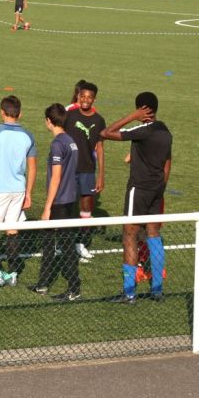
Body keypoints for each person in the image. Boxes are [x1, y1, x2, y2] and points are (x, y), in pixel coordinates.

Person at [100, 92, 172, 304]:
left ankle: (129, 293)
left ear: (142, 109)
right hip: (156, 190)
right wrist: (161, 188)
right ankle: (157, 290)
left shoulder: (144, 130)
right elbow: (168, 163)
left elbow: (106, 132)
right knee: (153, 234)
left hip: (138, 190)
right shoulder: (165, 131)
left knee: (129, 235)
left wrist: (133, 116)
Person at [0, 95, 37, 288]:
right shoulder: (28, 135)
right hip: (18, 190)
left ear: (2, 112)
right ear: (20, 113)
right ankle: (12, 273)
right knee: (12, 230)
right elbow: (33, 167)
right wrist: (28, 193)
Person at [30, 104, 81, 301]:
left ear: (49, 121)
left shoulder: (57, 144)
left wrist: (47, 206)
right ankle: (43, 283)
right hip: (71, 199)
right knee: (49, 241)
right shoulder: (71, 141)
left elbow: (56, 177)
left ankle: (74, 288)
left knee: (65, 245)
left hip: (59, 201)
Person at [62, 81, 105, 260]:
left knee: (86, 207)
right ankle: (64, 243)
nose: (86, 100)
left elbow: (100, 148)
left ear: (94, 99)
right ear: (78, 97)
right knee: (67, 205)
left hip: (88, 169)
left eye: (90, 97)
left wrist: (101, 175)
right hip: (69, 169)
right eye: (83, 96)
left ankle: (80, 243)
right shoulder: (69, 116)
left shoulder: (99, 120)